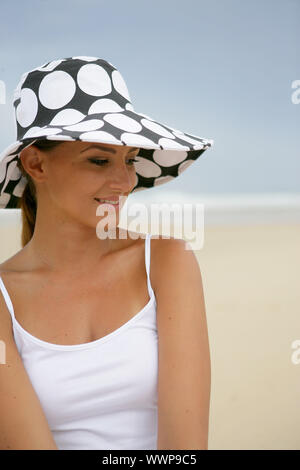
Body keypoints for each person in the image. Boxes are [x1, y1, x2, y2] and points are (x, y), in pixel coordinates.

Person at [0, 56, 213, 450]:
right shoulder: (2, 298)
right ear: (35, 164)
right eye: (99, 160)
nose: (125, 180)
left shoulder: (166, 262)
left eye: (130, 160)